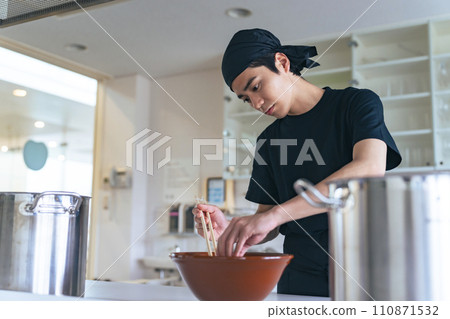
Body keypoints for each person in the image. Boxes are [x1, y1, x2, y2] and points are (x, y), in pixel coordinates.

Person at [193, 28, 401, 297]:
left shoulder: (356, 104)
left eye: (256, 87)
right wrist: (233, 229)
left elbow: (369, 169)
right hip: (299, 279)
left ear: (282, 62)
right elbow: (267, 223)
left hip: (364, 269)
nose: (256, 103)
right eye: (246, 98)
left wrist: (273, 216)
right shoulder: (268, 142)